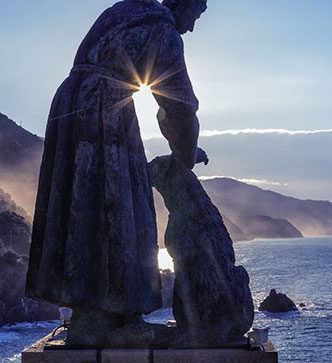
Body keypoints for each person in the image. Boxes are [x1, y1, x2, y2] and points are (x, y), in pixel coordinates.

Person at [26, 0, 207, 345]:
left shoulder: (129, 9)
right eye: (196, 15)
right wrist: (186, 154)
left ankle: (109, 309)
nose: (193, 27)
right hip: (103, 109)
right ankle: (105, 310)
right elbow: (179, 103)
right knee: (121, 205)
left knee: (85, 203)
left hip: (71, 101)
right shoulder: (164, 30)